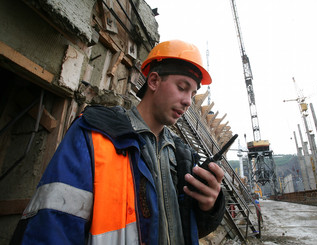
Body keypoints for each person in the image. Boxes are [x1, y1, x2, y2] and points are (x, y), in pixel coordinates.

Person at [11, 40, 225, 245]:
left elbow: (185, 229)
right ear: (153, 81)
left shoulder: (182, 155)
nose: (188, 101)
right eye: (182, 87)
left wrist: (208, 207)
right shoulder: (96, 135)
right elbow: (53, 224)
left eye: (192, 92)